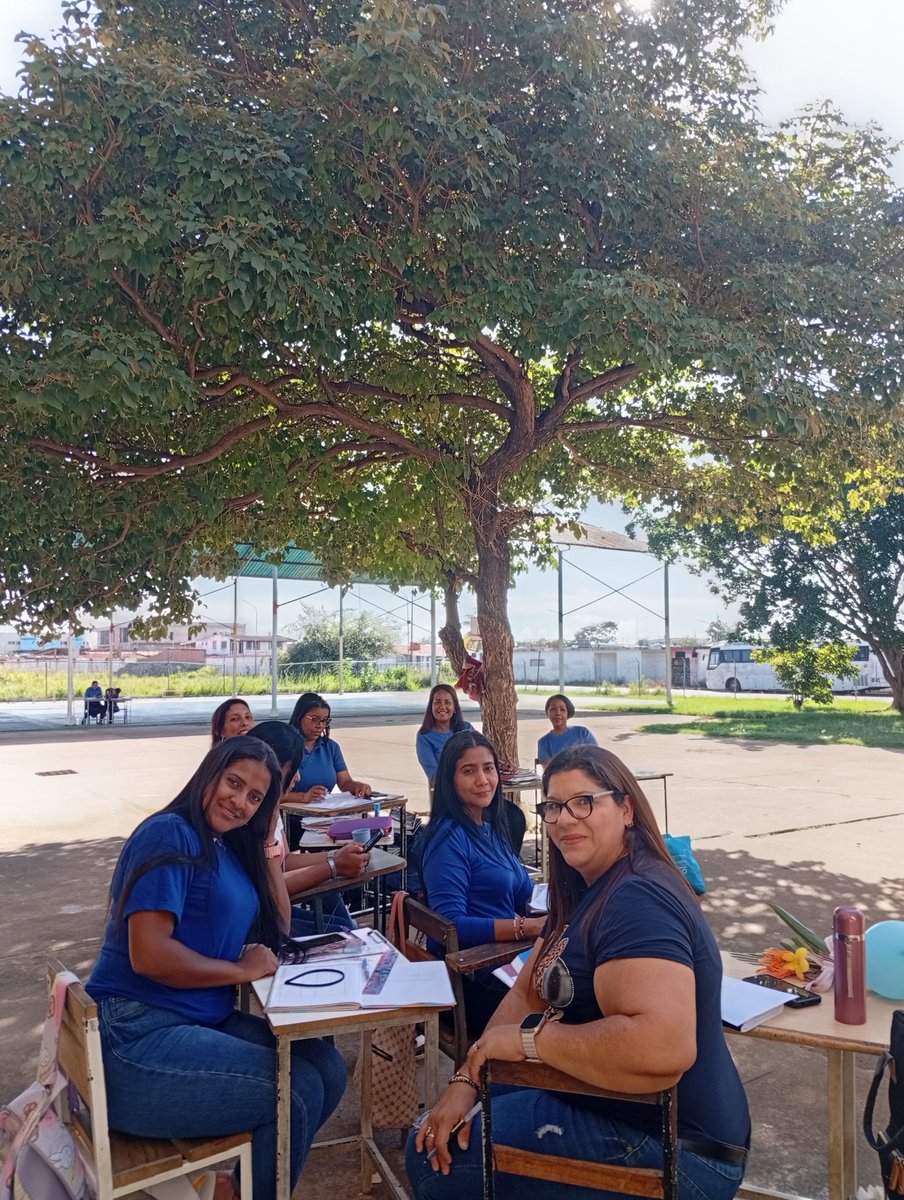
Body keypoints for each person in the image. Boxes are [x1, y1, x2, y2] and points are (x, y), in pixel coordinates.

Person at [407, 744, 750, 1200]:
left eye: (584, 802)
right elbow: (527, 994)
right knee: (458, 1114)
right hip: (619, 1107)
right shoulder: (585, 887)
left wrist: (532, 1041)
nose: (564, 819)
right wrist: (467, 1079)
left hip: (679, 1149)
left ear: (626, 808)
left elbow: (662, 1046)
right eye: (552, 806)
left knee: (430, 1159)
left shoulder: (637, 898)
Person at [86, 737, 346, 1200]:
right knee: (298, 1089)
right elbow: (148, 954)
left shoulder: (223, 844)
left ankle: (240, 1189)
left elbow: (277, 920)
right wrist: (239, 971)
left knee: (326, 1065)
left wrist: (267, 834)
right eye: (233, 783)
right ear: (209, 773)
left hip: (193, 1019)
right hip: (136, 1035)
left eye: (255, 797)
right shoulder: (170, 832)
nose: (239, 801)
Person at [420, 731, 546, 1031]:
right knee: (571, 1001)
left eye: (488, 768)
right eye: (469, 771)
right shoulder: (448, 839)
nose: (483, 780)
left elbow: (522, 895)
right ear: (450, 780)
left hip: (505, 958)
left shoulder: (491, 826)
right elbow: (450, 924)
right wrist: (524, 928)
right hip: (473, 979)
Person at [249, 720, 370, 933]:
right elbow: (270, 888)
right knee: (343, 933)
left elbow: (285, 860)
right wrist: (332, 866)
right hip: (257, 918)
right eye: (293, 769)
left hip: (270, 910)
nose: (298, 777)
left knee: (344, 926)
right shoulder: (248, 818)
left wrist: (336, 855)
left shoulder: (272, 811)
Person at [288, 692, 371, 801]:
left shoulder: (331, 747)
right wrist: (303, 797)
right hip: (290, 816)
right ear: (299, 717)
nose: (320, 725)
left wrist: (357, 786)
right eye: (314, 719)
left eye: (324, 721)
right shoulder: (285, 746)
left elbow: (345, 783)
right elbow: (273, 794)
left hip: (324, 814)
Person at [416, 684, 474, 783]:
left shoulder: (467, 729)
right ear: (431, 706)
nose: (442, 707)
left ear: (454, 707)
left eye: (447, 702)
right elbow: (434, 776)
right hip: (448, 792)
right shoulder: (424, 737)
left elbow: (483, 755)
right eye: (437, 702)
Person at [536, 693, 597, 767]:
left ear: (568, 713)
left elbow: (597, 758)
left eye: (562, 709)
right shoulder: (543, 742)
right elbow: (549, 769)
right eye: (553, 709)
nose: (558, 713)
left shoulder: (583, 733)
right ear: (547, 713)